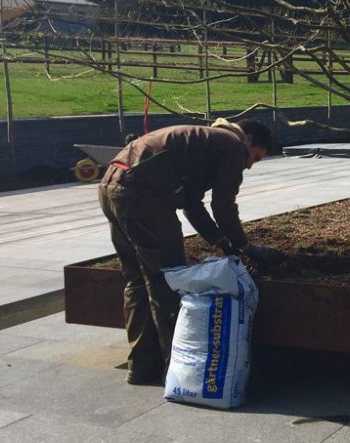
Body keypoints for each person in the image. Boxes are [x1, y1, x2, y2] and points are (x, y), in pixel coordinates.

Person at [98, 117, 282, 385]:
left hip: (110, 186)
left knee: (137, 281)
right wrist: (245, 246)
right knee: (167, 280)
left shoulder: (203, 141)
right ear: (249, 140)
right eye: (255, 157)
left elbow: (192, 206)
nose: (250, 165)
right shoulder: (232, 145)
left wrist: (221, 241)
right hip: (144, 196)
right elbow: (223, 204)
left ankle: (140, 367)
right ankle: (177, 371)